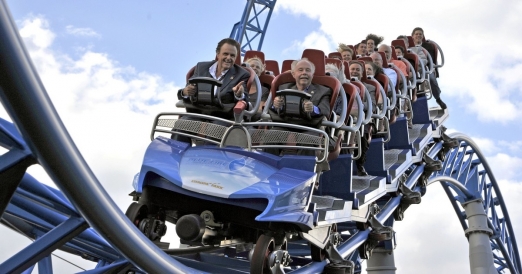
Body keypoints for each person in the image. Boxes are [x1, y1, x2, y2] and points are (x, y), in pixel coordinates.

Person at [174, 38, 250, 142]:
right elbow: (186, 91)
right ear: (218, 54)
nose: (229, 58)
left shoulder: (242, 74)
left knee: (214, 131)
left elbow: (244, 98)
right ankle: (176, 155)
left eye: (232, 55)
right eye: (225, 54)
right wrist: (186, 92)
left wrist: (238, 94)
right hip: (198, 114)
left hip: (222, 117)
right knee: (181, 125)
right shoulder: (201, 67)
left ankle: (208, 157)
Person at [411, 27, 446, 109]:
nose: (418, 36)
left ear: (423, 36)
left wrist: (432, 69)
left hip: (425, 68)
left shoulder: (428, 46)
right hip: (412, 69)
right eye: (416, 34)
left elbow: (430, 60)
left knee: (432, 79)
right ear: (412, 36)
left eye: (420, 34)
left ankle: (438, 98)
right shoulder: (408, 47)